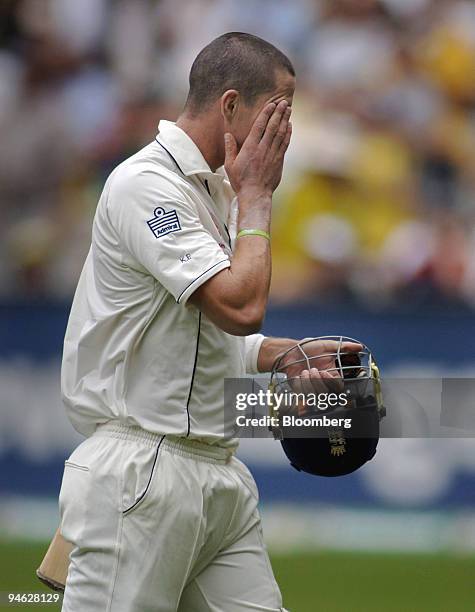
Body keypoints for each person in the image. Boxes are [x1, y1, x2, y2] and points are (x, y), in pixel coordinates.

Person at [59, 32, 359, 611]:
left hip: (217, 473)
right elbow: (240, 306)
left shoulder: (215, 192)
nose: (287, 132)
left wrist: (287, 354)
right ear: (229, 106)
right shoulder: (147, 185)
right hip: (140, 474)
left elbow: (210, 338)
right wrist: (257, 197)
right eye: (280, 111)